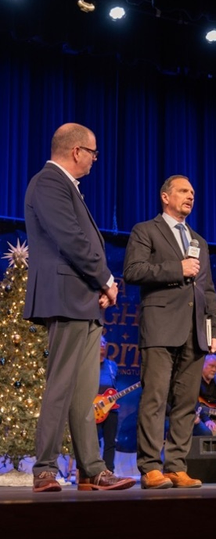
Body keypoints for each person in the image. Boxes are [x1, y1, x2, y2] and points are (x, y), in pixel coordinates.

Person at [23, 122, 135, 492]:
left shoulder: (67, 187)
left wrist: (99, 287)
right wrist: (105, 279)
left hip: (84, 299)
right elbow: (70, 238)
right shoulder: (50, 182)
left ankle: (92, 468)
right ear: (76, 151)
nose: (95, 160)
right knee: (61, 385)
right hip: (66, 296)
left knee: (84, 391)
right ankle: (45, 468)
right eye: (93, 153)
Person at [123, 174, 216, 489]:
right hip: (161, 328)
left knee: (185, 403)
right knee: (154, 399)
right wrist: (175, 269)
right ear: (165, 197)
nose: (190, 196)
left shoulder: (199, 241)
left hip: (195, 332)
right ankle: (150, 467)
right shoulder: (146, 230)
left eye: (192, 192)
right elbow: (133, 271)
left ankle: (176, 466)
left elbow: (207, 290)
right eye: (183, 191)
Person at [97, 336, 120, 473]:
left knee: (110, 442)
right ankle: (93, 470)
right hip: (94, 409)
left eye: (104, 342)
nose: (102, 345)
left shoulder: (112, 366)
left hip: (110, 409)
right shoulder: (87, 364)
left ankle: (108, 470)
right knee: (93, 441)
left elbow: (114, 385)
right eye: (99, 342)